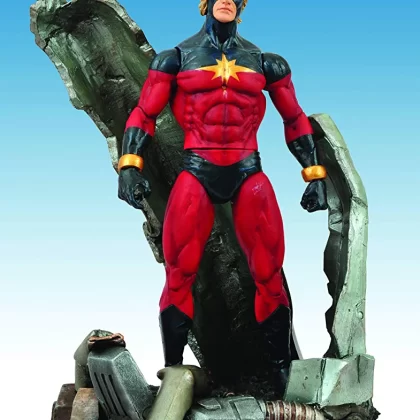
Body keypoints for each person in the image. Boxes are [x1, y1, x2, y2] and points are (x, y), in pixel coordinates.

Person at [117, 0, 327, 395]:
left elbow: (294, 117)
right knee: (179, 275)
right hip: (197, 170)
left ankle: (280, 372)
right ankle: (173, 372)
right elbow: (144, 113)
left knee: (270, 276)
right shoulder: (175, 59)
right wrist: (129, 165)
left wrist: (314, 174)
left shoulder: (267, 63)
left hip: (248, 171)